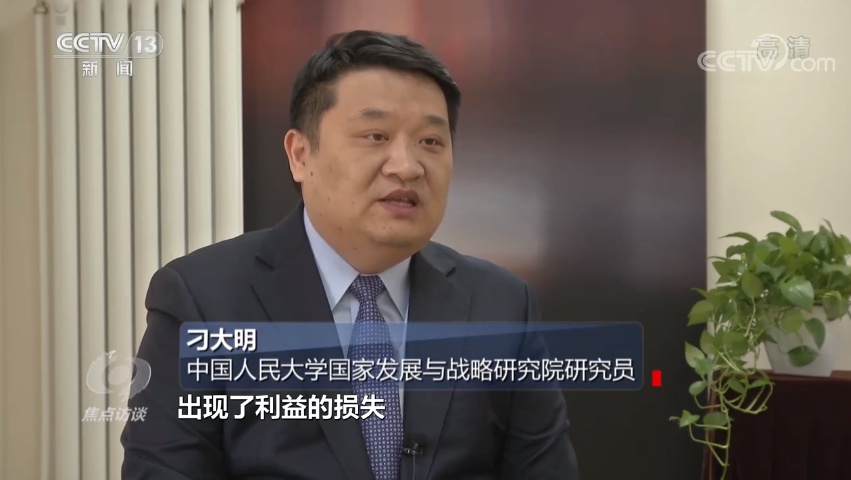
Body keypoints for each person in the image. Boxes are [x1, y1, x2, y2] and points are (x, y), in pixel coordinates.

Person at [121, 30, 579, 480]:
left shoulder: (501, 306)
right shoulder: (203, 301)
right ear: (300, 155)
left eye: (431, 142)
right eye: (376, 135)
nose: (407, 166)